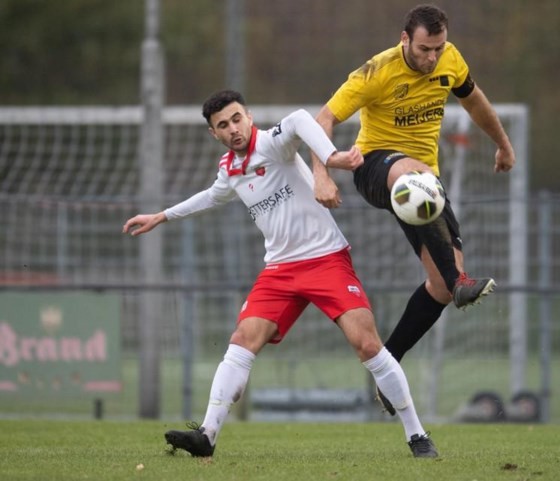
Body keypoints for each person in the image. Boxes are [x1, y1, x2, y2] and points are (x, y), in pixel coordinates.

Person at [122, 90, 438, 459]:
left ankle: (417, 435)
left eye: (237, 118)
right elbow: (211, 195)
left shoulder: (273, 143)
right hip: (280, 271)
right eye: (223, 125)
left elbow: (303, 118)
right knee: (242, 339)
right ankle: (207, 434)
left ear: (249, 116)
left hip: (326, 260)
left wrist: (331, 158)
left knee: (367, 344)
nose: (233, 128)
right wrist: (162, 216)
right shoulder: (230, 170)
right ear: (214, 134)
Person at [311, 4, 516, 415]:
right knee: (412, 174)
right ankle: (461, 283)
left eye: (438, 48)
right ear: (405, 39)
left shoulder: (450, 59)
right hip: (374, 168)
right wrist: (321, 174)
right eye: (425, 49)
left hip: (425, 185)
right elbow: (324, 118)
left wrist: (503, 144)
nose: (432, 57)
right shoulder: (377, 71)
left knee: (437, 287)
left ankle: (388, 367)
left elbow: (474, 101)